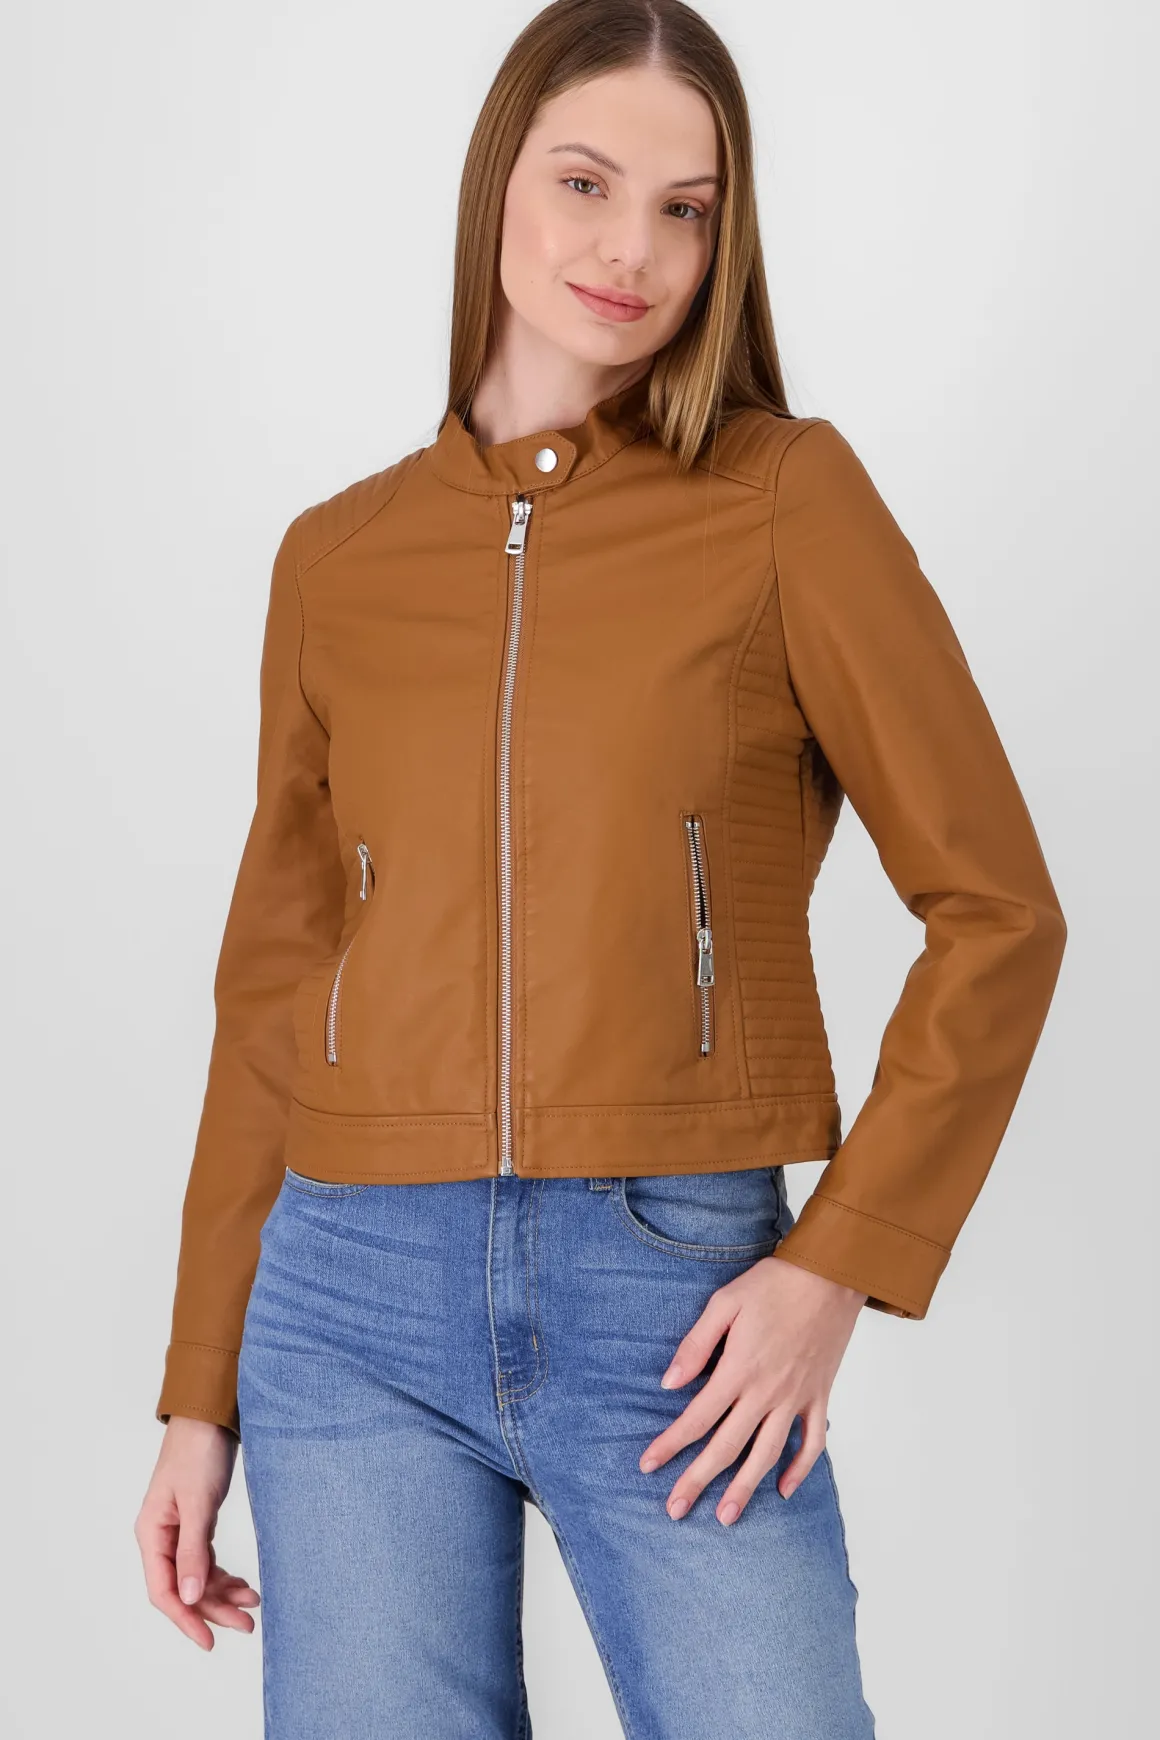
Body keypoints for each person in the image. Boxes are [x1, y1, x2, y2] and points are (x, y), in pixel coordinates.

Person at [135, 2, 1067, 1733]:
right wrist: (202, 1391)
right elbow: (274, 988)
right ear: (498, 181)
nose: (632, 250)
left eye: (685, 208)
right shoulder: (338, 560)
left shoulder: (784, 500)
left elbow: (999, 911)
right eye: (585, 183)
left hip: (678, 1290)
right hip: (345, 1299)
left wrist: (838, 1260)